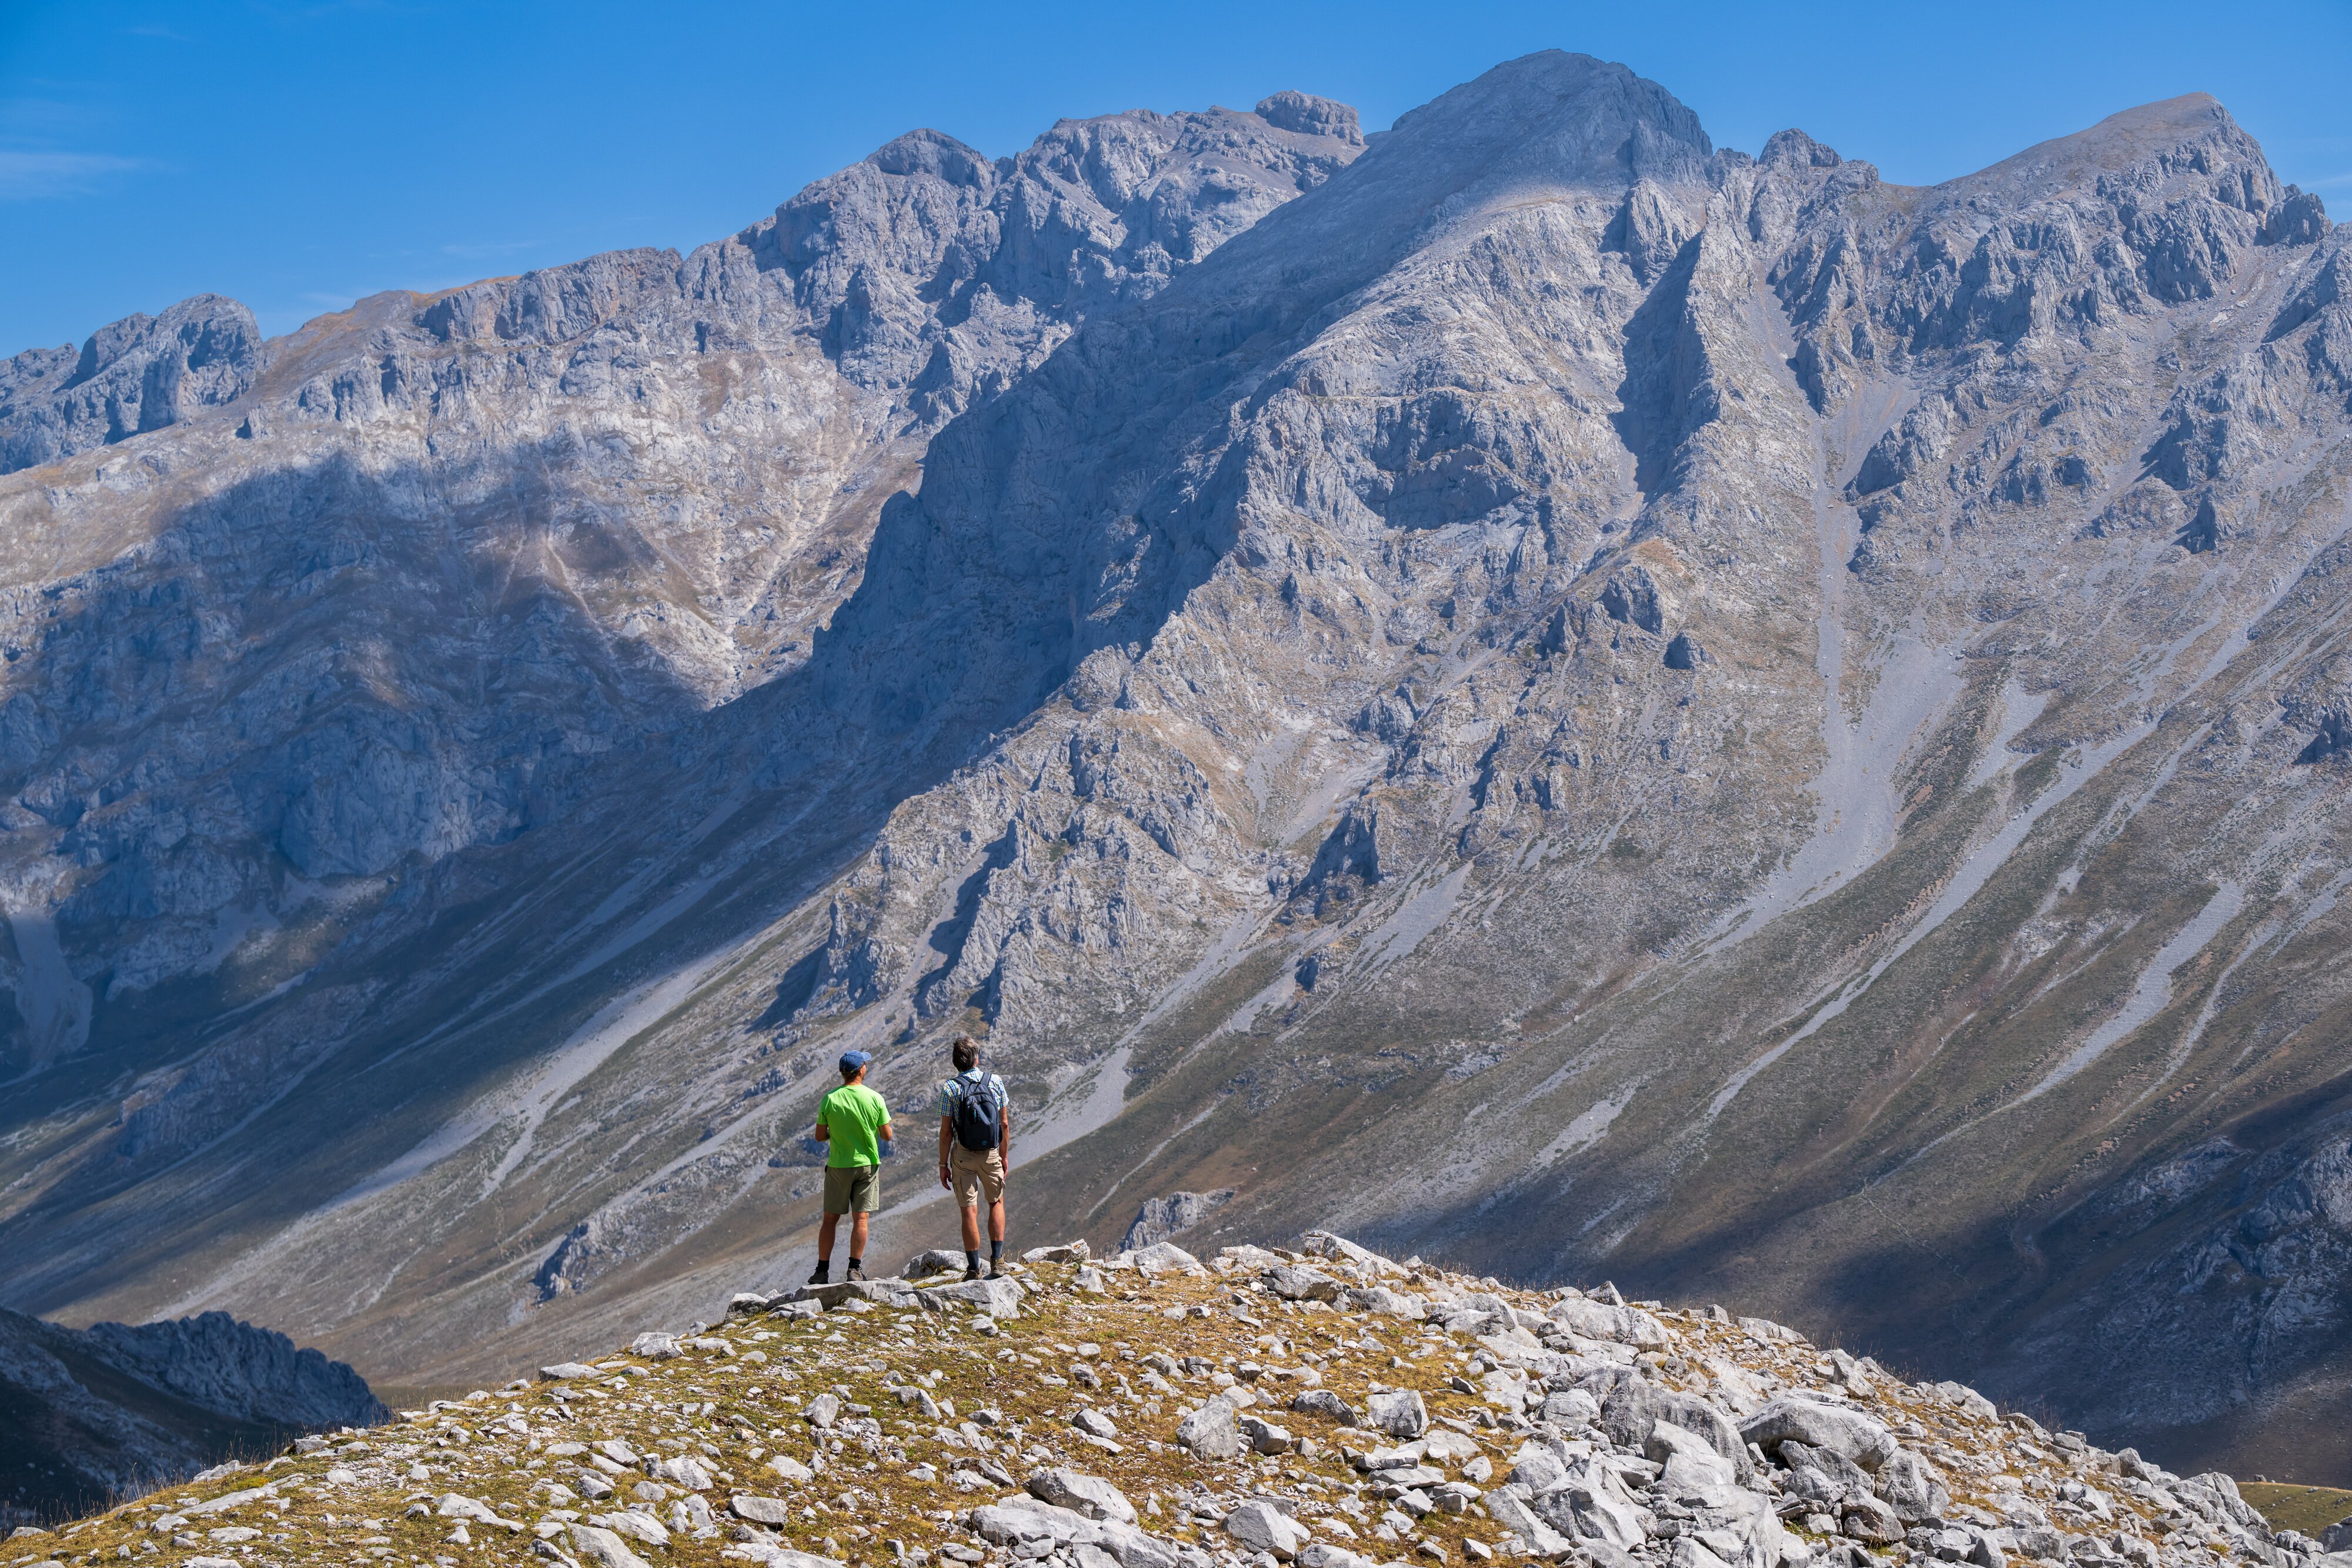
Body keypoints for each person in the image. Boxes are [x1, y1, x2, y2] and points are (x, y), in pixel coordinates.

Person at [810, 1049, 891, 1283]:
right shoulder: (874, 1098)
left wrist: (836, 1133)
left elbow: (819, 1136)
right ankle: (854, 1270)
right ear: (861, 1070)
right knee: (861, 1219)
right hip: (867, 1165)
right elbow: (887, 1135)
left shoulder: (830, 1099)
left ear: (842, 1073)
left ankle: (821, 1271)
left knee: (830, 1220)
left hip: (838, 1165)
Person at [936, 1035, 1010, 1280]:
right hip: (990, 1154)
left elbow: (947, 1130)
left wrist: (942, 1164)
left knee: (969, 1211)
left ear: (956, 1063)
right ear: (977, 1059)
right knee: (996, 1202)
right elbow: (1004, 1124)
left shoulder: (950, 1088)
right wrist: (1004, 1155)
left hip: (962, 1155)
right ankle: (998, 1261)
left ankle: (973, 1269)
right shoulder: (996, 1082)